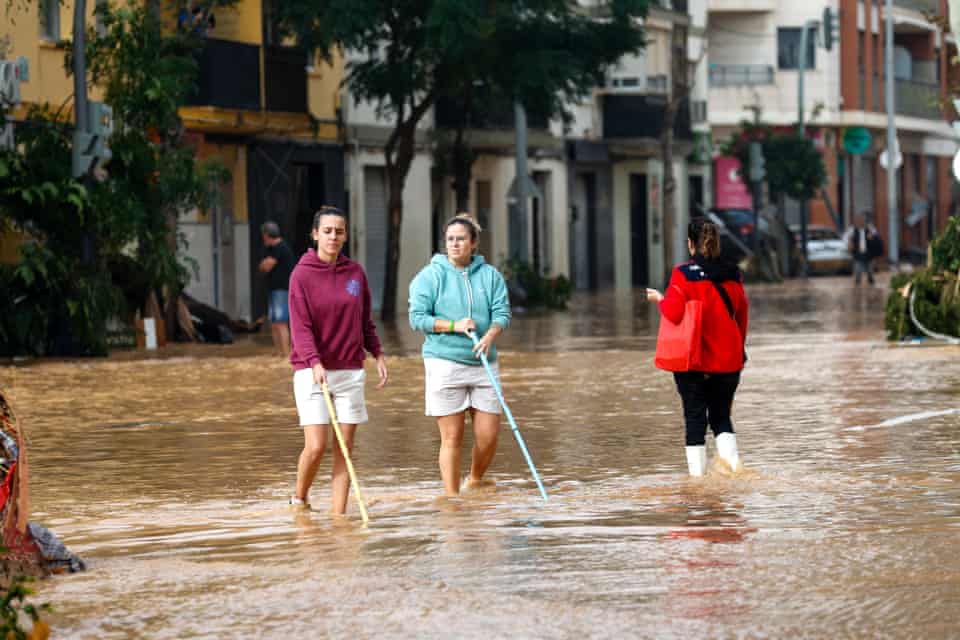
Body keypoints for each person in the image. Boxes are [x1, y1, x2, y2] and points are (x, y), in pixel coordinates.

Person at [287, 206, 388, 512]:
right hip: (311, 371)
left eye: (339, 231)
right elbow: (300, 327)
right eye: (327, 231)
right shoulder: (301, 275)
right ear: (315, 234)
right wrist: (315, 362)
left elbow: (364, 320)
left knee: (344, 449)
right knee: (316, 446)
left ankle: (339, 519)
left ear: (345, 235)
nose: (333, 237)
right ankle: (300, 499)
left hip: (350, 371)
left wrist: (378, 352)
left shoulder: (355, 273)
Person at [408, 214, 511, 496]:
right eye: (450, 239)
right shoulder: (429, 277)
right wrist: (454, 325)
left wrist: (490, 335)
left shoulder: (490, 276)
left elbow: (502, 312)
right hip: (443, 362)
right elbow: (417, 319)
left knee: (488, 436)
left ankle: (475, 478)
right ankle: (452, 500)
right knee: (452, 438)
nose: (455, 244)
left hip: (483, 364)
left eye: (461, 239)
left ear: (473, 243)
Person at [646, 218, 749, 477]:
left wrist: (660, 298)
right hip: (729, 361)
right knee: (721, 418)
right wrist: (738, 350)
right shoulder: (733, 273)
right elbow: (742, 315)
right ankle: (734, 474)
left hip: (694, 360)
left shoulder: (683, 274)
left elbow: (674, 311)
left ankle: (698, 486)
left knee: (695, 419)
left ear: (690, 244)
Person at [259, 221, 296, 357]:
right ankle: (279, 352)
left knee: (281, 322)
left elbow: (266, 266)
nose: (263, 239)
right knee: (274, 323)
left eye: (264, 235)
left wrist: (266, 263)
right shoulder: (270, 249)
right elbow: (262, 266)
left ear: (267, 235)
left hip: (282, 289)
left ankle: (287, 353)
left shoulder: (281, 248)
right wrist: (265, 263)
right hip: (273, 289)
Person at [842, 212, 882, 286]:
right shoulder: (852, 229)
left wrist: (872, 237)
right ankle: (857, 286)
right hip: (858, 253)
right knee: (858, 270)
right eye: (859, 220)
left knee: (870, 271)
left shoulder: (870, 228)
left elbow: (877, 238)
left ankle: (871, 283)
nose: (861, 222)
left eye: (863, 220)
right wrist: (849, 244)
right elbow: (845, 238)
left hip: (869, 253)